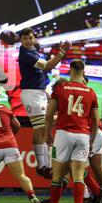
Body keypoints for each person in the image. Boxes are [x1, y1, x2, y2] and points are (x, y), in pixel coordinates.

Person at [42, 59, 99, 203]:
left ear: (71, 70)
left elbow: (49, 114)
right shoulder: (91, 92)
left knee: (58, 176)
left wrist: (47, 133)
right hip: (82, 135)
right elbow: (95, 120)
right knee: (79, 176)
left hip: (63, 134)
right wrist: (92, 140)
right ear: (83, 70)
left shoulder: (60, 88)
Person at [18, 27, 71, 178]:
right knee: (40, 128)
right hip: (32, 94)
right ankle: (42, 166)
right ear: (20, 41)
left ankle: (44, 165)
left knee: (42, 127)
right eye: (25, 38)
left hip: (38, 93)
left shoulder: (32, 50)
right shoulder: (27, 54)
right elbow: (48, 66)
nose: (28, 41)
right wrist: (62, 51)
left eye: (30, 37)